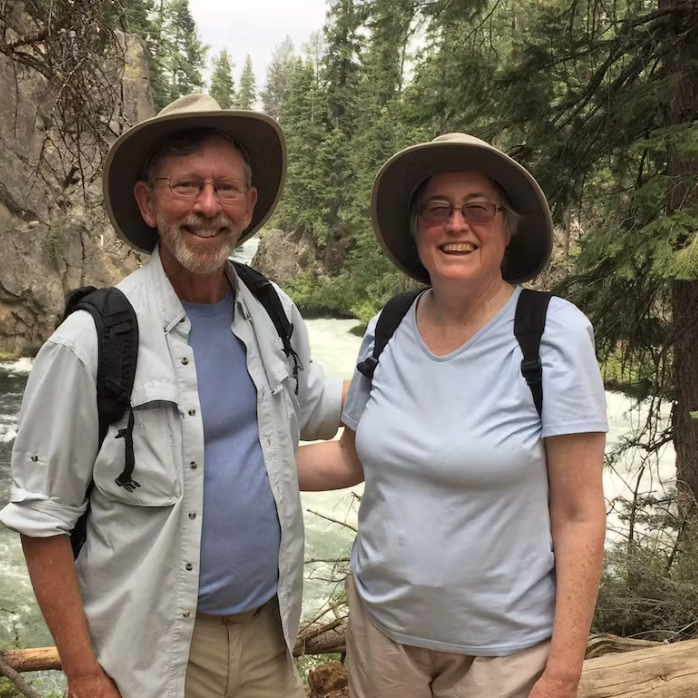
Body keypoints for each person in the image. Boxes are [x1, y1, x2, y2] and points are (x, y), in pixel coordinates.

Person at [0, 93, 345, 698]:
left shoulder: (274, 311)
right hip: (155, 652)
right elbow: (41, 517)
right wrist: (83, 674)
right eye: (186, 185)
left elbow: (312, 408)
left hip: (270, 634)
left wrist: (422, 369)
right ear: (147, 200)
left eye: (226, 188)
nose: (208, 207)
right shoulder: (91, 342)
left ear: (249, 205)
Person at [298, 133, 608, 698]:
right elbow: (348, 457)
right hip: (382, 638)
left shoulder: (552, 334)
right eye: (436, 210)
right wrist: (238, 462)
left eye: (477, 209)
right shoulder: (387, 326)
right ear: (417, 230)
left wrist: (563, 672)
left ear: (507, 228)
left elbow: (580, 512)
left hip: (505, 657)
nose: (456, 224)